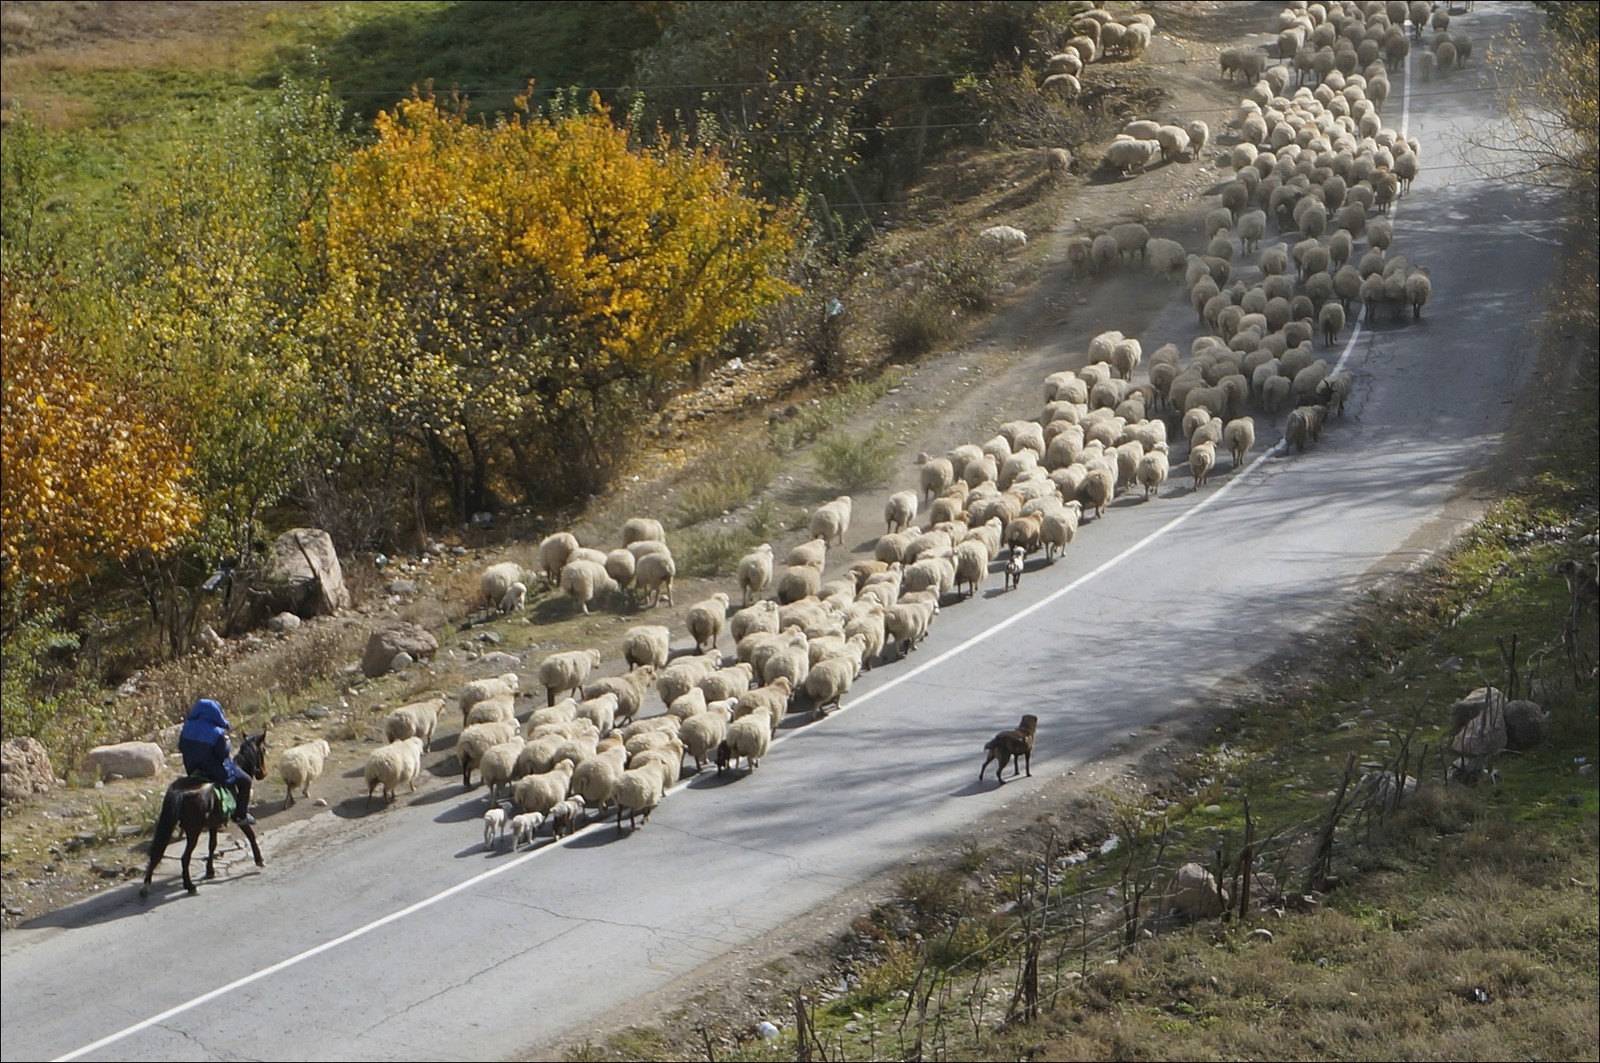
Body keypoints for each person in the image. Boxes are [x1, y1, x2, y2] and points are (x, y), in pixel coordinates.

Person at [178, 698, 255, 826]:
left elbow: (181, 746)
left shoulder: (187, 726)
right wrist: (227, 743)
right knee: (246, 780)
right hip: (214, 771)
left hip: (192, 768)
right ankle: (241, 815)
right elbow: (223, 754)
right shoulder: (218, 733)